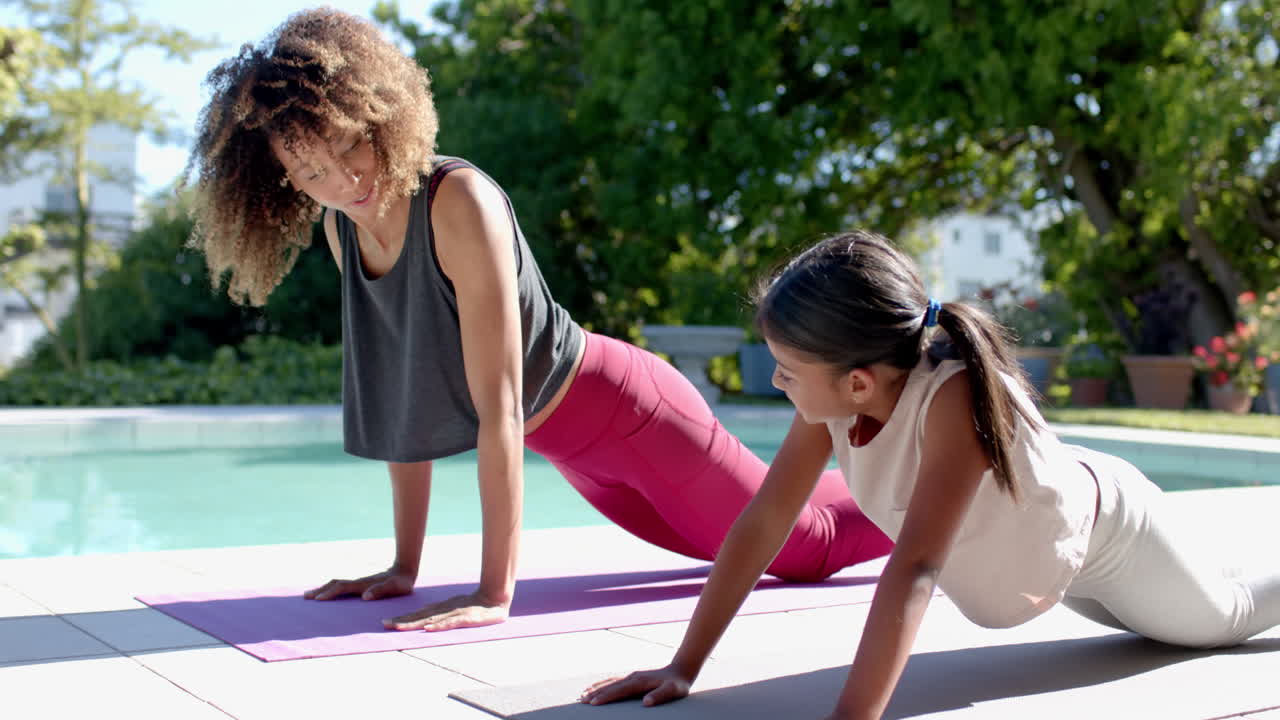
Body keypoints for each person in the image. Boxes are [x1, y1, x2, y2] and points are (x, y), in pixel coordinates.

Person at [182, 8, 892, 633]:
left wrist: (496, 592)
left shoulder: (458, 202)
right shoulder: (343, 232)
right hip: (583, 460)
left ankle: (955, 479)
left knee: (806, 551)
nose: (343, 182)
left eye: (348, 146)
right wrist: (404, 567)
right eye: (310, 175)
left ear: (379, 116)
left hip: (631, 416)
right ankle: (905, 468)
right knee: (759, 524)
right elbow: (404, 394)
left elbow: (501, 408)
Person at [581, 230, 1280, 719]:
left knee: (1230, 617)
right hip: (1053, 571)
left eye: (788, 371)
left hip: (1112, 540)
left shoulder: (952, 400)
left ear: (858, 381)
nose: (779, 383)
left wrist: (853, 715)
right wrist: (685, 665)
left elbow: (914, 566)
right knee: (1152, 634)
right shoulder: (830, 407)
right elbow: (763, 521)